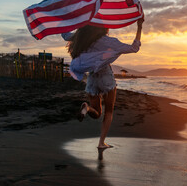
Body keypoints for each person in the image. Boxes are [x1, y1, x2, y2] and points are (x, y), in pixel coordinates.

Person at [62, 18, 144, 149]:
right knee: (109, 111)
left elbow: (65, 35)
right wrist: (139, 26)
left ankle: (87, 108)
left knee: (97, 113)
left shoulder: (81, 37)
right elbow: (134, 48)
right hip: (106, 77)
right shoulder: (106, 41)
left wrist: (66, 18)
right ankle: (101, 143)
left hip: (93, 77)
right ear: (104, 27)